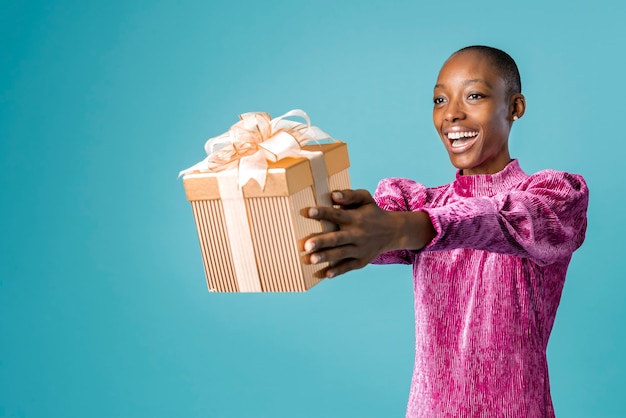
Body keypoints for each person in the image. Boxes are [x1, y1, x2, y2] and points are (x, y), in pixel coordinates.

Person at [303, 45, 589, 417]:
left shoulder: (553, 199)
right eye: (440, 99)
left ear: (515, 107)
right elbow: (376, 230)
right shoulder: (415, 203)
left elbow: (500, 218)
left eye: (474, 96)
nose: (452, 114)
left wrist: (403, 227)